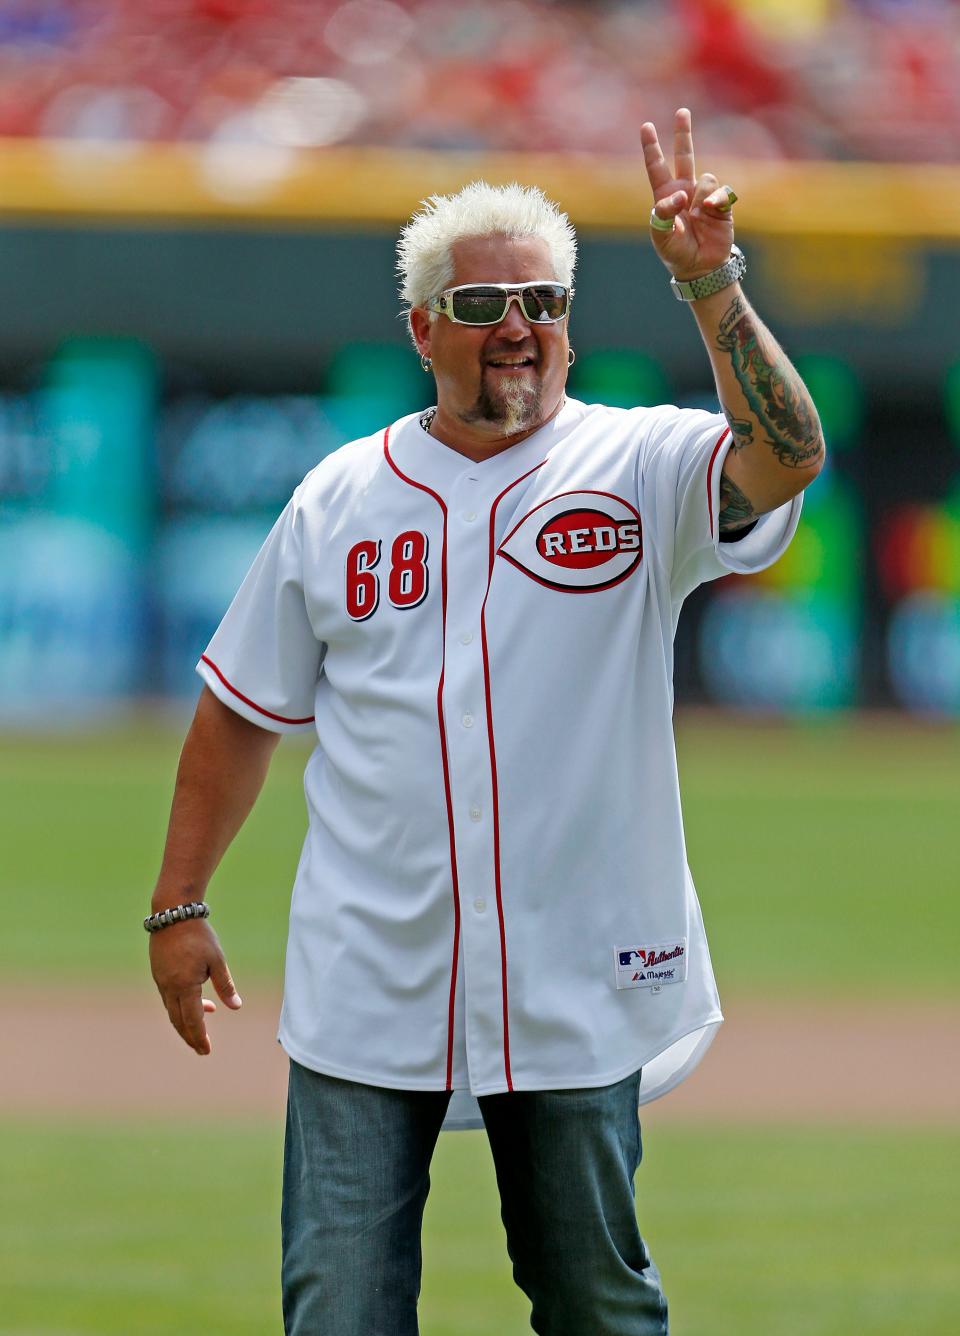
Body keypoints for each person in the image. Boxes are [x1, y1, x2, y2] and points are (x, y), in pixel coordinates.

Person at [147, 109, 824, 1336]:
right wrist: (180, 901)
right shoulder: (339, 496)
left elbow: (786, 458)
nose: (517, 323)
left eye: (543, 298)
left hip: (578, 967)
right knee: (337, 1310)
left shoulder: (640, 466)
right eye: (480, 305)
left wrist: (712, 284)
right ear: (421, 329)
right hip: (369, 970)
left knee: (596, 1305)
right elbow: (241, 710)